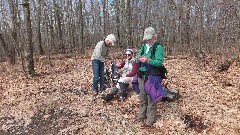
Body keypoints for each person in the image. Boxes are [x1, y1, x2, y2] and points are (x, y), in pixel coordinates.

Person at [134, 27, 166, 126]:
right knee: (142, 96)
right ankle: (142, 113)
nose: (147, 40)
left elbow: (159, 62)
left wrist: (148, 60)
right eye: (146, 37)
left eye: (149, 37)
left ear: (154, 36)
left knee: (151, 96)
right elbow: (136, 57)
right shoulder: (143, 46)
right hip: (141, 75)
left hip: (152, 76)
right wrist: (138, 59)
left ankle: (151, 117)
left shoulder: (158, 47)